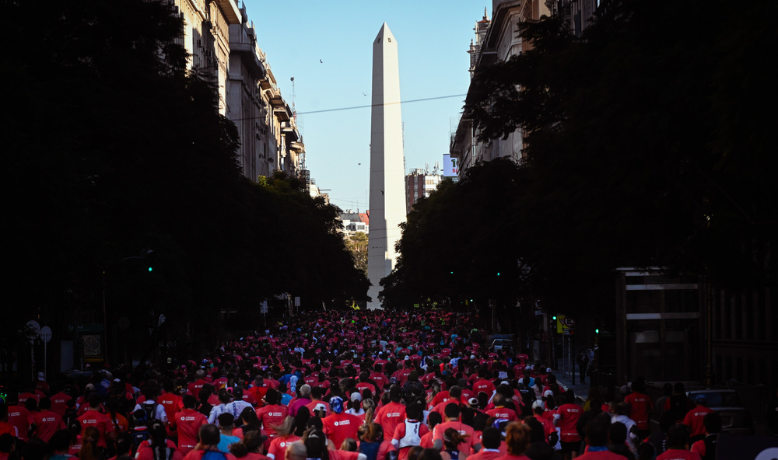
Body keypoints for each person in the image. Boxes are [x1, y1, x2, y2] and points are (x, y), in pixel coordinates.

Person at [553, 391, 582, 460]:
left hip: (565, 436)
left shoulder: (561, 408)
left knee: (566, 455)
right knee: (575, 456)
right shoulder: (580, 409)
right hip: (576, 436)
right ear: (573, 398)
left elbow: (556, 419)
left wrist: (554, 425)